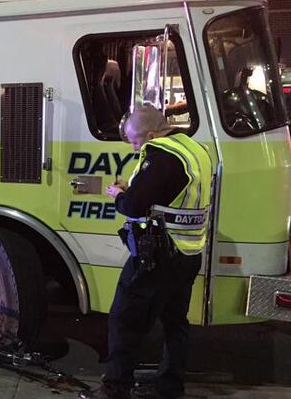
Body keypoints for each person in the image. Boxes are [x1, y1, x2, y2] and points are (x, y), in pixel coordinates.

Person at [79, 106, 213, 399]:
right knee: (175, 322)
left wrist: (121, 195)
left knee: (124, 320)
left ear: (152, 134)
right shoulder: (193, 148)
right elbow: (169, 192)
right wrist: (136, 189)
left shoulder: (161, 155)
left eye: (135, 141)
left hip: (158, 256)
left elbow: (133, 206)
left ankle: (115, 389)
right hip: (189, 253)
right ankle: (170, 385)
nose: (134, 146)